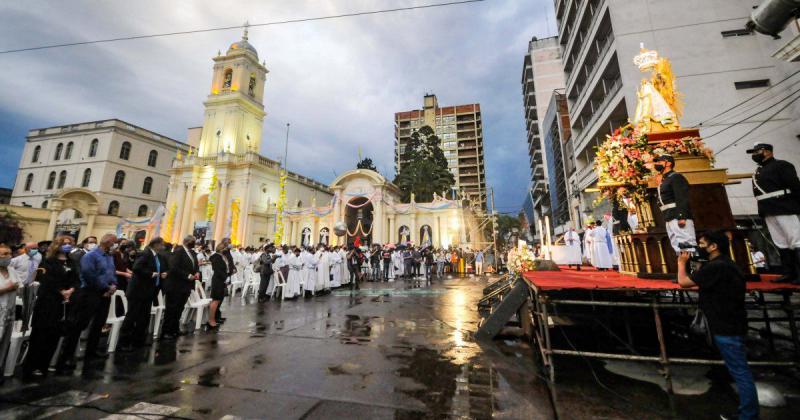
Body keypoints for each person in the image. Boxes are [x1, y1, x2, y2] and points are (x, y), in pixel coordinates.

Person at [677, 230, 758, 420]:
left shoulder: (716, 267)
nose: (699, 248)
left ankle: (749, 416)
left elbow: (683, 282)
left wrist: (682, 264)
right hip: (731, 322)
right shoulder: (727, 265)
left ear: (714, 247)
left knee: (740, 371)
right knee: (737, 369)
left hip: (726, 326)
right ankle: (746, 412)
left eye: (703, 244)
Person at [57, 233, 118, 370]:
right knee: (79, 325)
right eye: (114, 242)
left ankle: (92, 350)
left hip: (105, 294)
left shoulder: (109, 256)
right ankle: (67, 356)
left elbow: (112, 272)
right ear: (108, 242)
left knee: (99, 323)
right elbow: (89, 274)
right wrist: (106, 287)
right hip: (90, 292)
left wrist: (113, 285)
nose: (116, 245)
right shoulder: (91, 256)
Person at [22, 240, 79, 378]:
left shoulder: (72, 262)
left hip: (63, 304)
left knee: (54, 336)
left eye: (70, 243)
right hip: (47, 302)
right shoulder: (48, 261)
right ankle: (31, 366)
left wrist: (71, 289)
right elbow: (46, 279)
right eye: (65, 243)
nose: (68, 245)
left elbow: (76, 279)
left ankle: (43, 365)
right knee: (40, 335)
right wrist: (60, 291)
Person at [747, 142, 800, 284]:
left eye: (757, 151)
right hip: (768, 209)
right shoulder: (759, 170)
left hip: (784, 206)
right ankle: (789, 273)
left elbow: (795, 185)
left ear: (767, 151)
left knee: (795, 240)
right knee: (781, 242)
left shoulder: (782, 165)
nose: (754, 155)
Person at [118, 237, 167, 351]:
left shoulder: (157, 256)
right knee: (132, 316)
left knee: (144, 317)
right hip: (138, 291)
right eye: (161, 244)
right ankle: (124, 342)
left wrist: (162, 273)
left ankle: (138, 340)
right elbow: (137, 268)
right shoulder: (145, 254)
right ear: (156, 244)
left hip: (148, 291)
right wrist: (152, 274)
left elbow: (159, 268)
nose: (163, 247)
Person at [654, 154, 696, 252]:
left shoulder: (676, 177)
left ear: (668, 163)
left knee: (687, 245)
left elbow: (681, 197)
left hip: (678, 216)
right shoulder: (664, 180)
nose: (657, 164)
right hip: (669, 217)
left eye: (660, 162)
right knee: (677, 246)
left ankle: (693, 267)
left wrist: (682, 216)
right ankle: (683, 266)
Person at [161, 235, 199, 339]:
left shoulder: (191, 252)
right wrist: (188, 275)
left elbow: (195, 265)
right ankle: (166, 331)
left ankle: (175, 329)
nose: (194, 243)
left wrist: (197, 272)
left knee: (179, 309)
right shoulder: (178, 251)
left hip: (186, 286)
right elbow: (174, 267)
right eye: (193, 241)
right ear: (187, 242)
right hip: (175, 285)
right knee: (171, 309)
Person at [0, 244, 22, 376]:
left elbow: (18, 285)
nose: (8, 256)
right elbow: (11, 287)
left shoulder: (12, 270)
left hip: (9, 312)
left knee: (4, 342)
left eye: (9, 253)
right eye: (4, 254)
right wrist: (7, 289)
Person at [207, 243, 230, 329]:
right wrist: (225, 278)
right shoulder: (216, 257)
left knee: (219, 300)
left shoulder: (221, 256)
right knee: (215, 300)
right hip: (218, 280)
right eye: (225, 248)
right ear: (221, 249)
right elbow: (218, 270)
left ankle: (215, 318)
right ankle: (211, 320)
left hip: (221, 280)